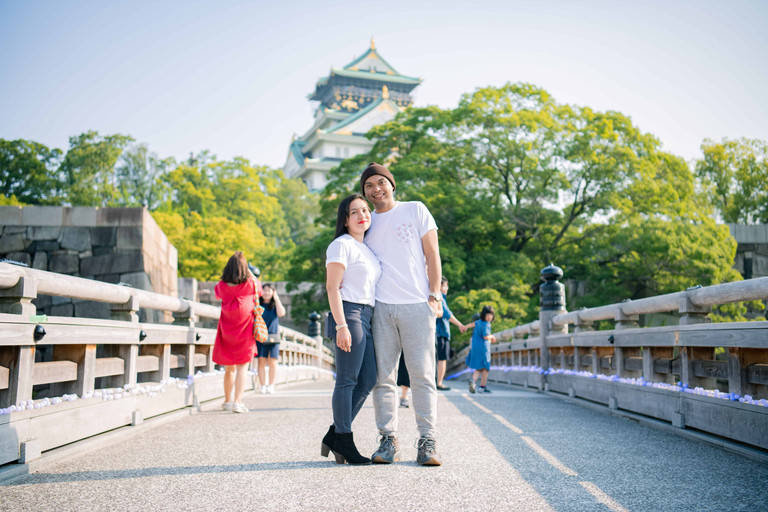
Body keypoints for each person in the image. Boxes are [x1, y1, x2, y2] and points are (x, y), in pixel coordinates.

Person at [361, 162, 444, 466]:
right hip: (380, 307)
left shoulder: (415, 209)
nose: (376, 189)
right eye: (369, 185)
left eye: (381, 182)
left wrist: (434, 294)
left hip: (416, 305)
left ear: (392, 184)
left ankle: (428, 441)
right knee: (384, 377)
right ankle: (388, 440)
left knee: (422, 376)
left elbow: (432, 253)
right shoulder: (365, 221)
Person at [321, 193, 381, 465]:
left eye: (365, 210)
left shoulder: (367, 248)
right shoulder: (340, 245)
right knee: (347, 380)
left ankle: (335, 434)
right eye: (354, 212)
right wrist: (341, 325)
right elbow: (332, 287)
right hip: (350, 313)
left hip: (367, 316)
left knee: (368, 378)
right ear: (345, 220)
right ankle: (344, 440)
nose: (362, 215)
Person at [213, 251, 261, 413]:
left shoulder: (221, 286)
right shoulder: (250, 284)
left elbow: (218, 294)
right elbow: (259, 291)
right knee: (242, 367)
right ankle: (238, 402)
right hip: (245, 328)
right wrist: (249, 273)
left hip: (227, 329)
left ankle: (227, 401)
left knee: (229, 368)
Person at [435, 276, 467, 390]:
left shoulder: (436, 297)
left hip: (437, 333)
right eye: (444, 286)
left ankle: (437, 382)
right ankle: (439, 383)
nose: (446, 288)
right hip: (441, 333)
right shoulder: (439, 298)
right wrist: (460, 325)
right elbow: (447, 314)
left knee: (438, 358)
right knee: (442, 359)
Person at [256, 283, 285, 394]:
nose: (267, 293)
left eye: (269, 290)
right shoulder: (258, 304)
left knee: (273, 362)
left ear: (273, 292)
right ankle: (263, 385)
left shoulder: (274, 305)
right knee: (261, 361)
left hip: (273, 336)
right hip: (260, 335)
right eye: (265, 290)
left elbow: (281, 313)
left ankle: (271, 385)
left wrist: (276, 299)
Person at [464, 305, 497, 394]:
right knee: (486, 368)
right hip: (484, 348)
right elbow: (486, 336)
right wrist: (492, 336)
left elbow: (472, 324)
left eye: (491, 315)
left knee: (479, 367)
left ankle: (473, 380)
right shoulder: (486, 324)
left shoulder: (479, 322)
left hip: (475, 347)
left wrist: (465, 327)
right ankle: (482, 387)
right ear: (484, 315)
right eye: (488, 315)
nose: (490, 317)